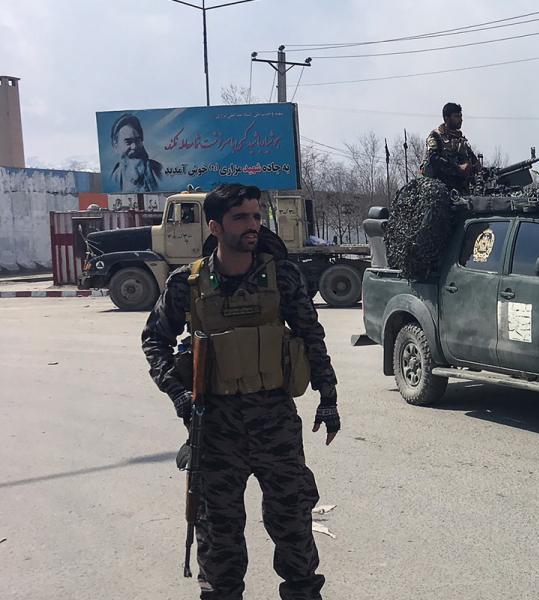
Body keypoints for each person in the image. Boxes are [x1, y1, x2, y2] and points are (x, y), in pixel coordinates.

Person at [141, 184, 341, 599]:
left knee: (293, 526)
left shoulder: (281, 276)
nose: (253, 225)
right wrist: (178, 395)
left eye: (256, 216)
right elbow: (154, 342)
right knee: (217, 537)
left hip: (275, 421)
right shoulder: (187, 283)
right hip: (215, 428)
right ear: (215, 226)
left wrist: (328, 395)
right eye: (241, 217)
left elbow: (310, 334)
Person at [422, 102, 481, 193]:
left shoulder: (461, 140)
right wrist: (458, 168)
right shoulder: (436, 136)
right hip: (439, 188)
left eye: (461, 116)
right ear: (447, 118)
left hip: (460, 188)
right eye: (457, 116)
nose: (461, 120)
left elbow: (474, 161)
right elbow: (434, 159)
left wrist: (476, 167)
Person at [108, 113, 163, 192]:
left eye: (137, 140)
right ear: (115, 145)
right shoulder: (114, 179)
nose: (134, 146)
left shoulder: (158, 170)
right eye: (128, 142)